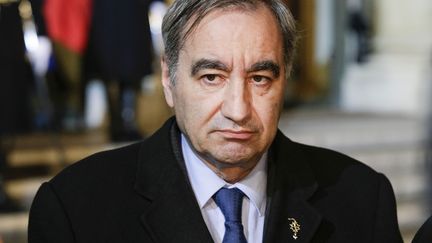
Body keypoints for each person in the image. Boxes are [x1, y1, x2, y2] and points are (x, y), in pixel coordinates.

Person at [28, 0, 403, 242]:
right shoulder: (76, 210)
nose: (237, 110)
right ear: (169, 80)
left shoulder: (362, 199)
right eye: (212, 77)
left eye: (260, 78)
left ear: (284, 80)